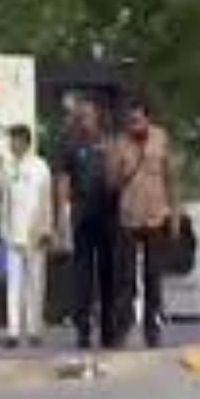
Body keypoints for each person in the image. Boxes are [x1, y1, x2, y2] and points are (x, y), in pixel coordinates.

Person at [107, 98, 180, 348]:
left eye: (138, 120)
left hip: (156, 216)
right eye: (131, 121)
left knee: (153, 276)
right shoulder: (120, 143)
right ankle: (123, 327)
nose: (135, 125)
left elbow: (171, 178)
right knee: (125, 278)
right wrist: (120, 172)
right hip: (129, 218)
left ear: (148, 119)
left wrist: (175, 215)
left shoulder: (161, 139)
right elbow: (111, 184)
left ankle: (152, 329)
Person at [58, 97, 120, 349]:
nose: (84, 121)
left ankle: (108, 331)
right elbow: (63, 180)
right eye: (80, 116)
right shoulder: (71, 146)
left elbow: (118, 177)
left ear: (97, 118)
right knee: (82, 277)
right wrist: (63, 213)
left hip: (108, 216)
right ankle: (82, 330)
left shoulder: (109, 143)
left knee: (108, 274)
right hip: (82, 218)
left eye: (88, 116)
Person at [1, 125, 53, 348]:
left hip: (35, 233)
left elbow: (47, 200)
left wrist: (46, 229)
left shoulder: (40, 166)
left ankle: (34, 330)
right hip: (14, 234)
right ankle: (13, 331)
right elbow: (5, 203)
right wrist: (4, 230)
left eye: (15, 140)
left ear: (25, 142)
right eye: (11, 140)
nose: (12, 144)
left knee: (35, 283)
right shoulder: (8, 167)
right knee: (13, 285)